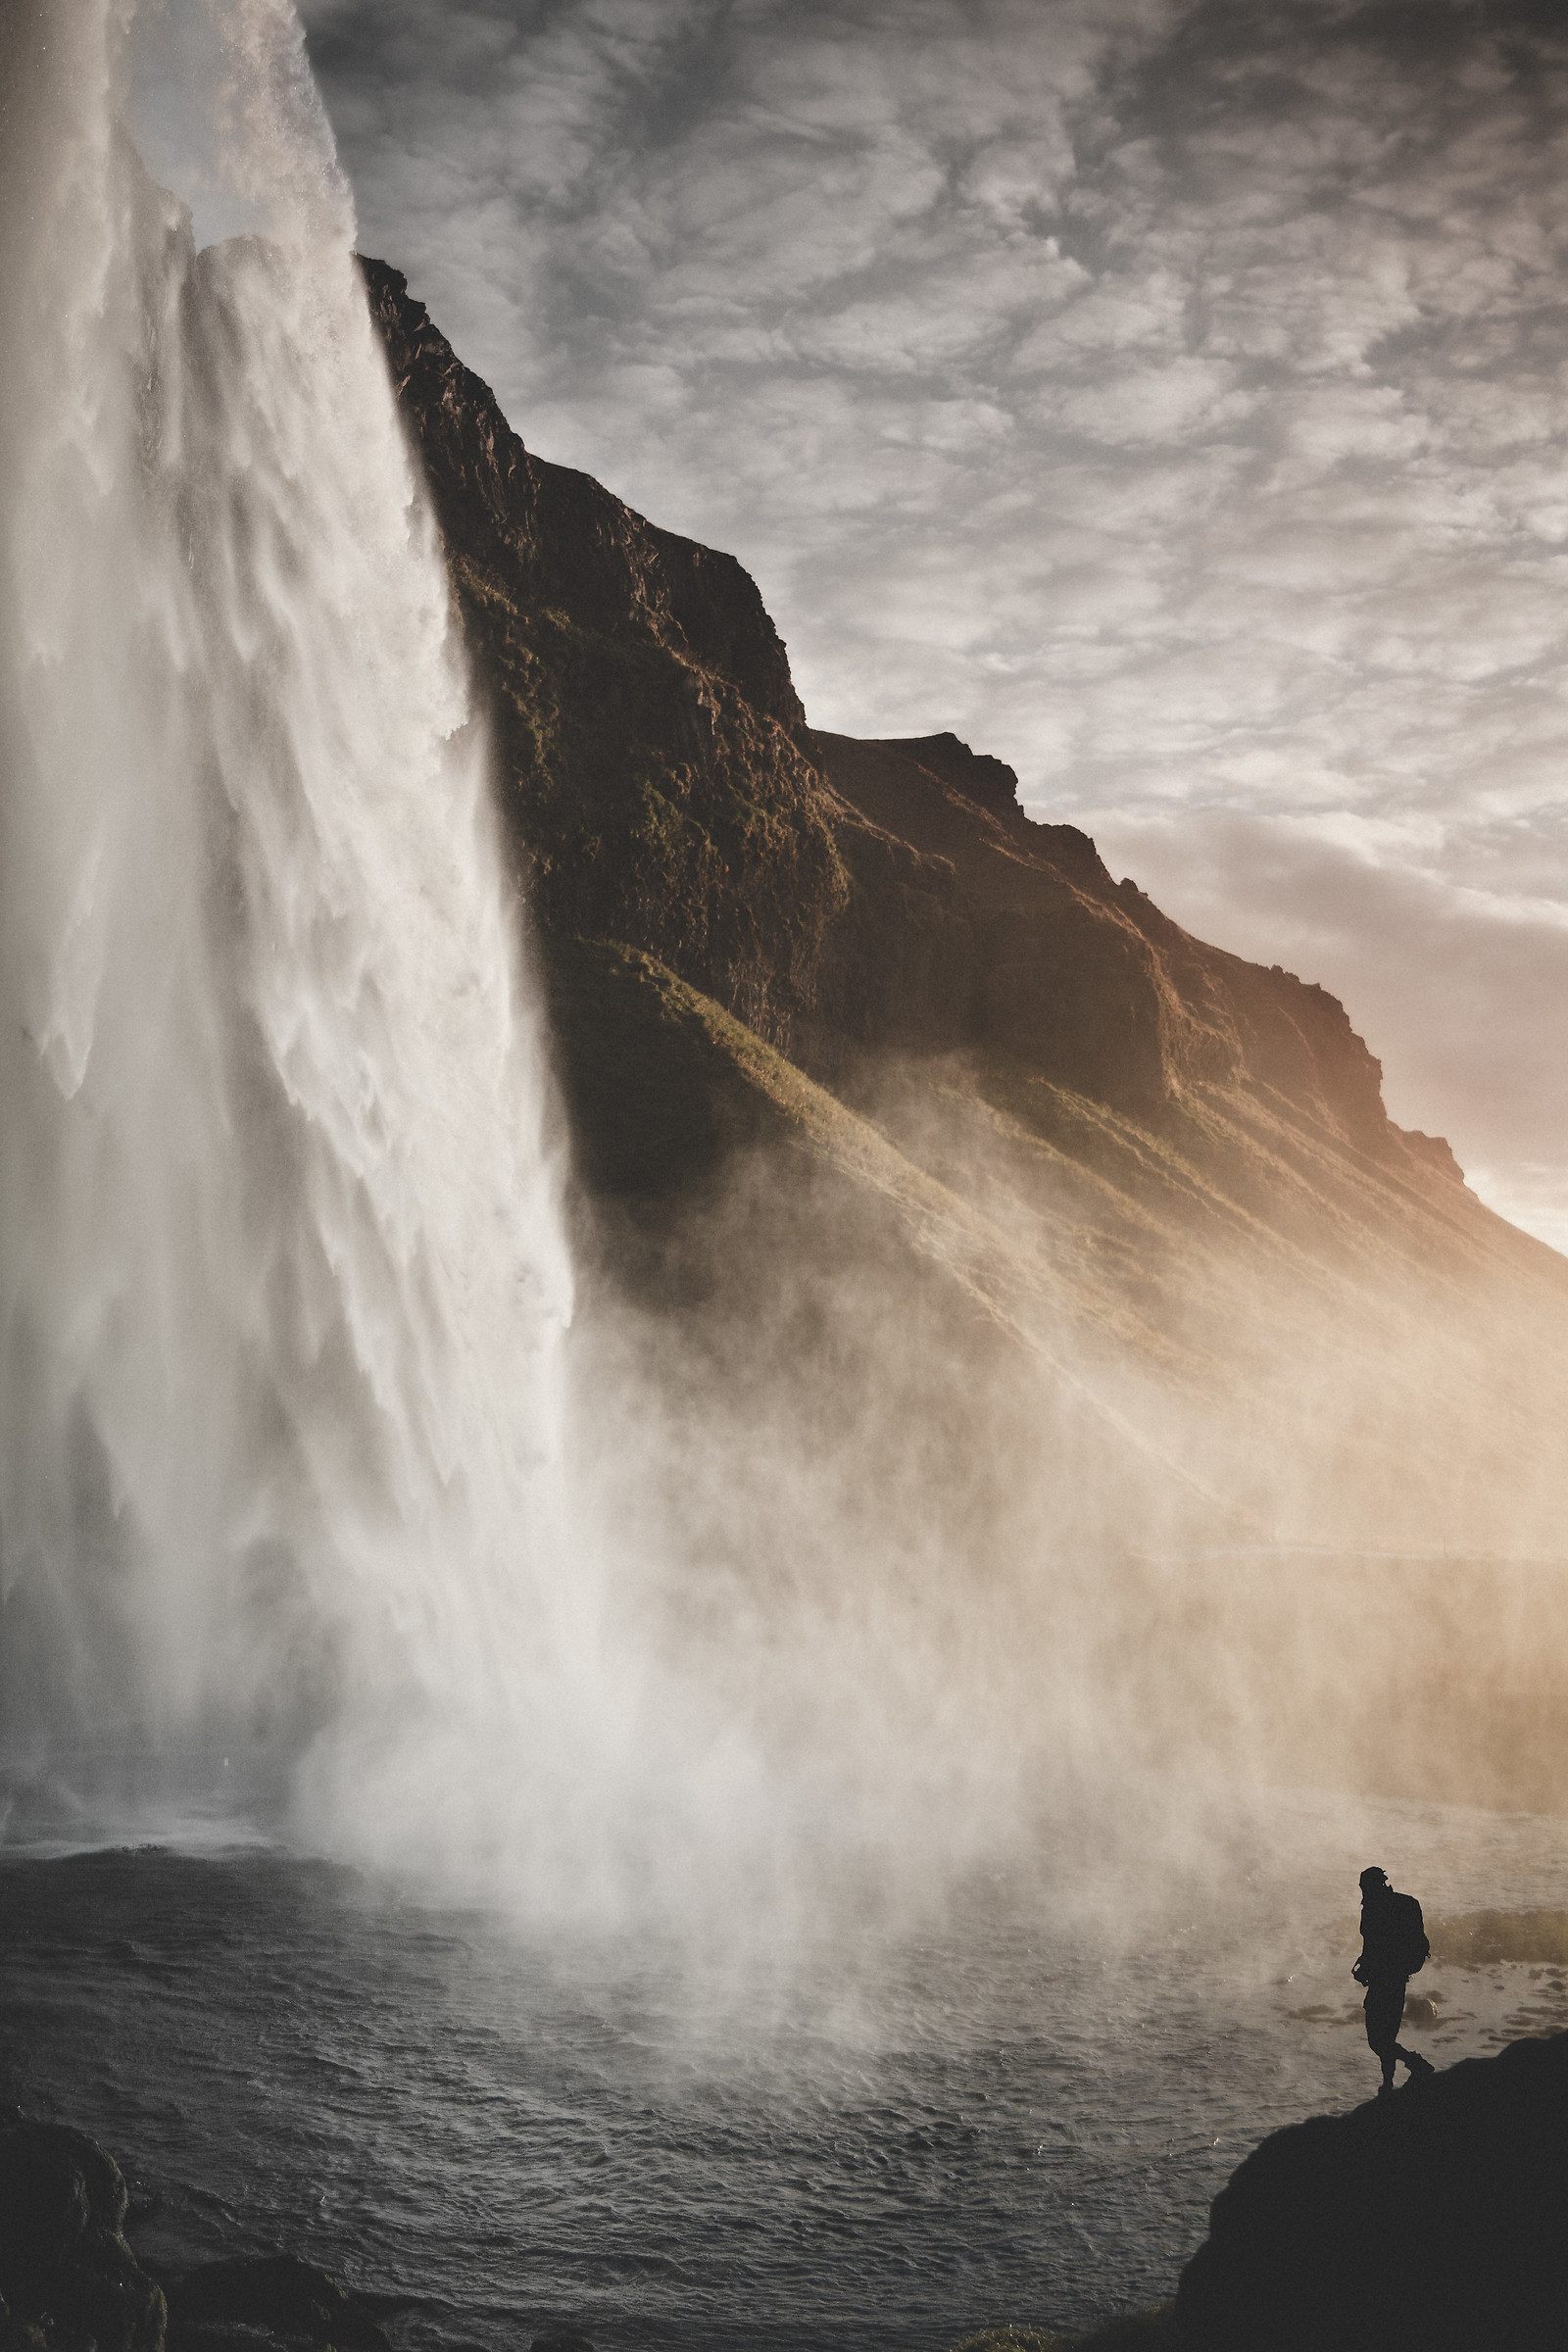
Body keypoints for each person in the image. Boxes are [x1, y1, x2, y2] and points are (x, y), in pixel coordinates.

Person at [1352, 1864, 1435, 2095]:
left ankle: (1414, 2066)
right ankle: (1389, 2082)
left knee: (1378, 2040)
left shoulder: (1373, 1910)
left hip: (1384, 1980)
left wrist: (1365, 1968)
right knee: (1386, 2037)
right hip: (1397, 1979)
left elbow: (1373, 1947)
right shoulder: (1403, 1904)